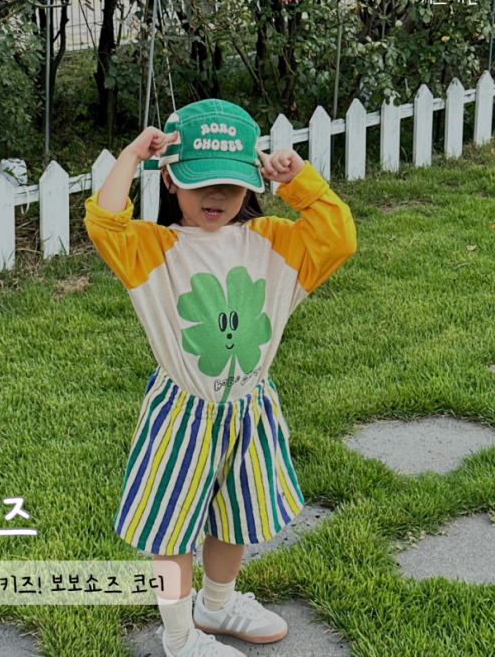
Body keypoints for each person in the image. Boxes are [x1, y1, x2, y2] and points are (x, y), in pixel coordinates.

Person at [83, 99, 357, 657]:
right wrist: (132, 155)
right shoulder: (152, 249)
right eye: (200, 182)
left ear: (251, 181)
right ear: (170, 179)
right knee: (171, 526)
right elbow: (104, 222)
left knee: (236, 514)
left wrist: (299, 181)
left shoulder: (274, 242)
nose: (216, 197)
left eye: (231, 185)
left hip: (250, 408)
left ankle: (217, 603)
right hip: (181, 415)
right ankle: (179, 636)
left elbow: (338, 238)